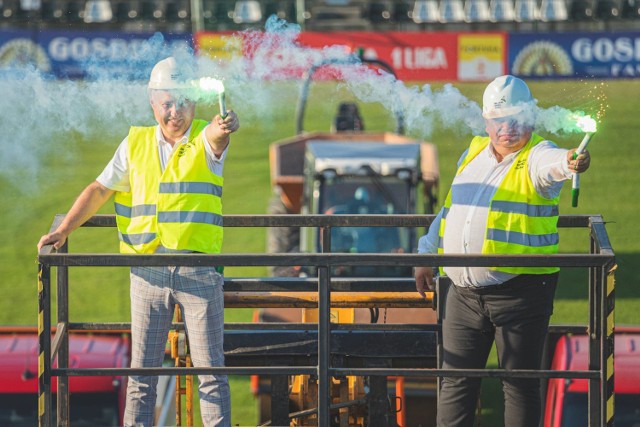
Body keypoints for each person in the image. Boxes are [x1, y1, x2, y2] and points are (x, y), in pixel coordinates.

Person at [37, 56, 239, 427]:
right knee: (141, 376)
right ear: (152, 102)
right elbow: (100, 189)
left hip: (197, 270)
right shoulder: (135, 143)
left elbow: (218, 135)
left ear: (195, 103)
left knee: (211, 374)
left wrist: (224, 127)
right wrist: (64, 230)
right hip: (147, 271)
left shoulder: (204, 136)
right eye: (166, 103)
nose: (174, 112)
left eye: (182, 103)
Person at [414, 75, 590, 427]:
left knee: (519, 386)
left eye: (515, 119)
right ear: (486, 121)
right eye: (499, 120)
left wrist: (571, 161)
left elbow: (556, 163)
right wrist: (425, 252)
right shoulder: (474, 150)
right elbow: (450, 209)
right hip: (460, 294)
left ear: (531, 119)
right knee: (455, 383)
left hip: (520, 293)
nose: (507, 128)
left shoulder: (538, 155)